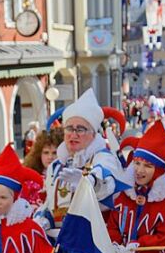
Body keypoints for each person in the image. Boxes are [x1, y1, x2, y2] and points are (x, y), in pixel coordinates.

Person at [106, 123, 165, 253]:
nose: (139, 170)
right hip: (123, 249)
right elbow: (113, 224)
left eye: (148, 166)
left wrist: (137, 244)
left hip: (158, 252)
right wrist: (115, 245)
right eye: (137, 163)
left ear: (159, 171)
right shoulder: (125, 193)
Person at [44, 89, 130, 223]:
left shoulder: (103, 158)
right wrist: (41, 218)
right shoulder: (56, 166)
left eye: (80, 129)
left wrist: (90, 183)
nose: (73, 134)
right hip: (58, 239)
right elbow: (48, 203)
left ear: (94, 134)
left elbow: (107, 182)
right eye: (69, 128)